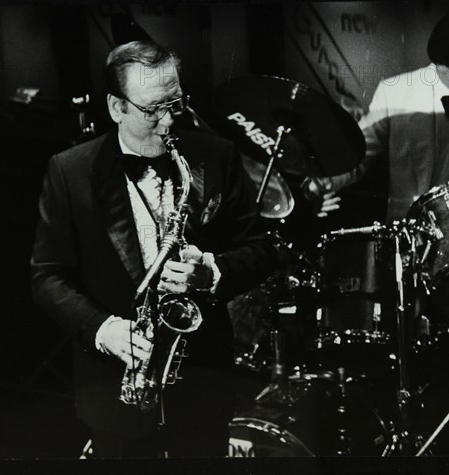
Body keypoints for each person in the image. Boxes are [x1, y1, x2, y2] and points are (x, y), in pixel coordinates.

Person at [30, 40, 278, 458]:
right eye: (152, 110)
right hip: (113, 387)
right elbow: (46, 276)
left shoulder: (215, 155)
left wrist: (213, 272)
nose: (167, 123)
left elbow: (262, 248)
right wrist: (102, 329)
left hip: (202, 380)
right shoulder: (70, 171)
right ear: (116, 107)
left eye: (175, 105)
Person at [309, 6, 449, 230]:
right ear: (442, 65)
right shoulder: (395, 92)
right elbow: (355, 156)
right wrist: (318, 185)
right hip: (419, 239)